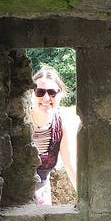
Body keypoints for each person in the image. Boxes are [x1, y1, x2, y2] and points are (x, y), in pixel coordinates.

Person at [29, 65, 78, 206]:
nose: (46, 97)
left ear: (59, 94)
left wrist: (85, 201)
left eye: (52, 92)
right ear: (31, 94)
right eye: (40, 92)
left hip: (43, 198)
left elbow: (70, 166)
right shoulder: (20, 123)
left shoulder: (60, 127)